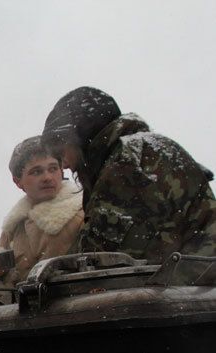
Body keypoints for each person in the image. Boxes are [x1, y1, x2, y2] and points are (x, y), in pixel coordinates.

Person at [41, 86, 216, 262]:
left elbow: (98, 259)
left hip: (187, 281)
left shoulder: (128, 165)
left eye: (62, 151)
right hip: (195, 279)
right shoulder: (145, 149)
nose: (64, 164)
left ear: (83, 136)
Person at [0, 136, 83, 294]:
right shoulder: (14, 225)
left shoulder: (82, 210)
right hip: (34, 312)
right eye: (36, 171)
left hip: (78, 308)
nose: (47, 177)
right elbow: (10, 282)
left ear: (61, 171)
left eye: (53, 168)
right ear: (18, 181)